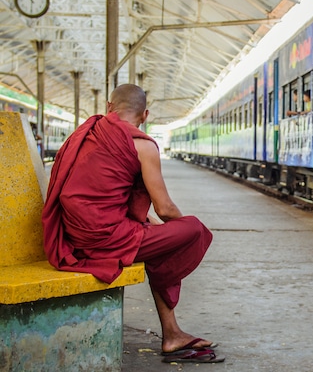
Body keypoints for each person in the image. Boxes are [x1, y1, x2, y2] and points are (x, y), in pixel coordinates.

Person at [41, 84, 223, 363]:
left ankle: (173, 333)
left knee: (156, 237)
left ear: (108, 107)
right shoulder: (143, 145)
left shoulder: (85, 133)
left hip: (70, 236)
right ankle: (172, 334)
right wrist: (182, 226)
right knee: (193, 229)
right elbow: (165, 209)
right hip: (106, 239)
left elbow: (100, 193)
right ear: (145, 114)